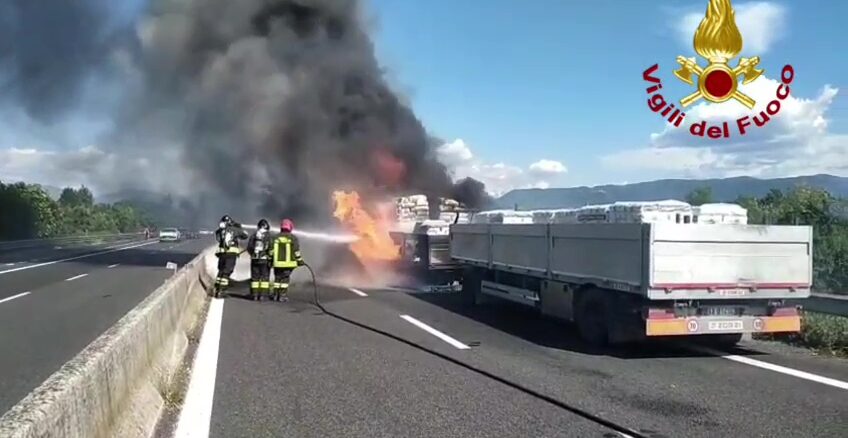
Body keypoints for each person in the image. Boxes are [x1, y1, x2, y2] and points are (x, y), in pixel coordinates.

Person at [270, 218, 304, 302]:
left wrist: (270, 259)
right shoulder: (293, 238)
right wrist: (300, 261)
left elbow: (271, 250)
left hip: (277, 263)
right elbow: (296, 251)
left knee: (277, 279)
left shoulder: (275, 237)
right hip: (288, 264)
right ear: (290, 227)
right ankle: (282, 296)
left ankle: (275, 295)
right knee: (285, 280)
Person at [213, 215, 248, 297]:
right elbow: (245, 235)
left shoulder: (219, 231)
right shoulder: (234, 230)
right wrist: (238, 227)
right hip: (230, 255)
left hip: (222, 254)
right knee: (227, 272)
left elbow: (218, 238)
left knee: (221, 271)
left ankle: (217, 289)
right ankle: (221, 291)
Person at [246, 219, 272, 301]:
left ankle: (254, 295)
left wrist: (253, 255)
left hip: (255, 260)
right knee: (264, 278)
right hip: (264, 260)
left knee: (255, 278)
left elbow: (249, 247)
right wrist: (270, 257)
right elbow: (271, 248)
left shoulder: (254, 235)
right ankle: (263, 296)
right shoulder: (269, 236)